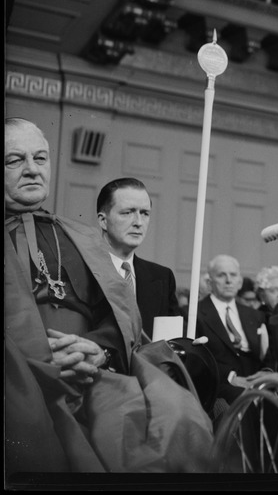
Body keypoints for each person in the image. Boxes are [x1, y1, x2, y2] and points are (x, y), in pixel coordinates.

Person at [4, 118, 213, 474]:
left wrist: (97, 350)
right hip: (18, 376)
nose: (32, 170)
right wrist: (39, 357)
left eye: (41, 158)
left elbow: (119, 313)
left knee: (176, 415)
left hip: (90, 371)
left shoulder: (79, 238)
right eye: (14, 160)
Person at [97, 177, 181, 339]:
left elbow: (170, 345)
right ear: (103, 221)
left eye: (145, 213)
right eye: (127, 213)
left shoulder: (162, 277)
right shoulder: (81, 270)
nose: (138, 222)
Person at [195, 254, 275, 405]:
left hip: (256, 380)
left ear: (240, 282)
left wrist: (266, 373)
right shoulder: (195, 314)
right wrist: (231, 377)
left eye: (233, 275)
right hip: (219, 383)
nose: (228, 281)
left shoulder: (255, 315)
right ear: (209, 282)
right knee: (243, 397)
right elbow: (199, 358)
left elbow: (270, 354)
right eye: (221, 275)